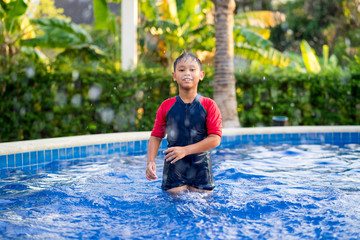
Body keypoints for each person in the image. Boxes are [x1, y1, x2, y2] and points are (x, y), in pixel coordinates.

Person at [145, 52, 222, 194]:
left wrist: (185, 150)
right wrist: (150, 161)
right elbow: (156, 136)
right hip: (174, 166)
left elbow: (215, 139)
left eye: (192, 69)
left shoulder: (209, 105)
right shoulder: (166, 106)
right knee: (174, 204)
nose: (187, 73)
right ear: (174, 76)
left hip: (201, 167)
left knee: (204, 207)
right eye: (181, 70)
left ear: (201, 75)